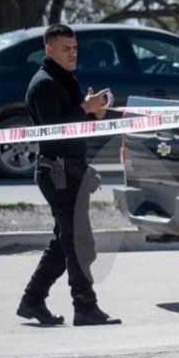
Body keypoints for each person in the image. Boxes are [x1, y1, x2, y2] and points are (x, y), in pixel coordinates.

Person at [16, 24, 121, 326]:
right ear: (49, 49)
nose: (73, 54)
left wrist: (94, 110)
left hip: (72, 170)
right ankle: (85, 307)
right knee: (78, 243)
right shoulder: (45, 84)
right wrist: (85, 108)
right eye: (66, 49)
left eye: (75, 48)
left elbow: (77, 121)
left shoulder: (65, 77)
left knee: (65, 242)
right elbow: (56, 130)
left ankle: (32, 300)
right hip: (57, 172)